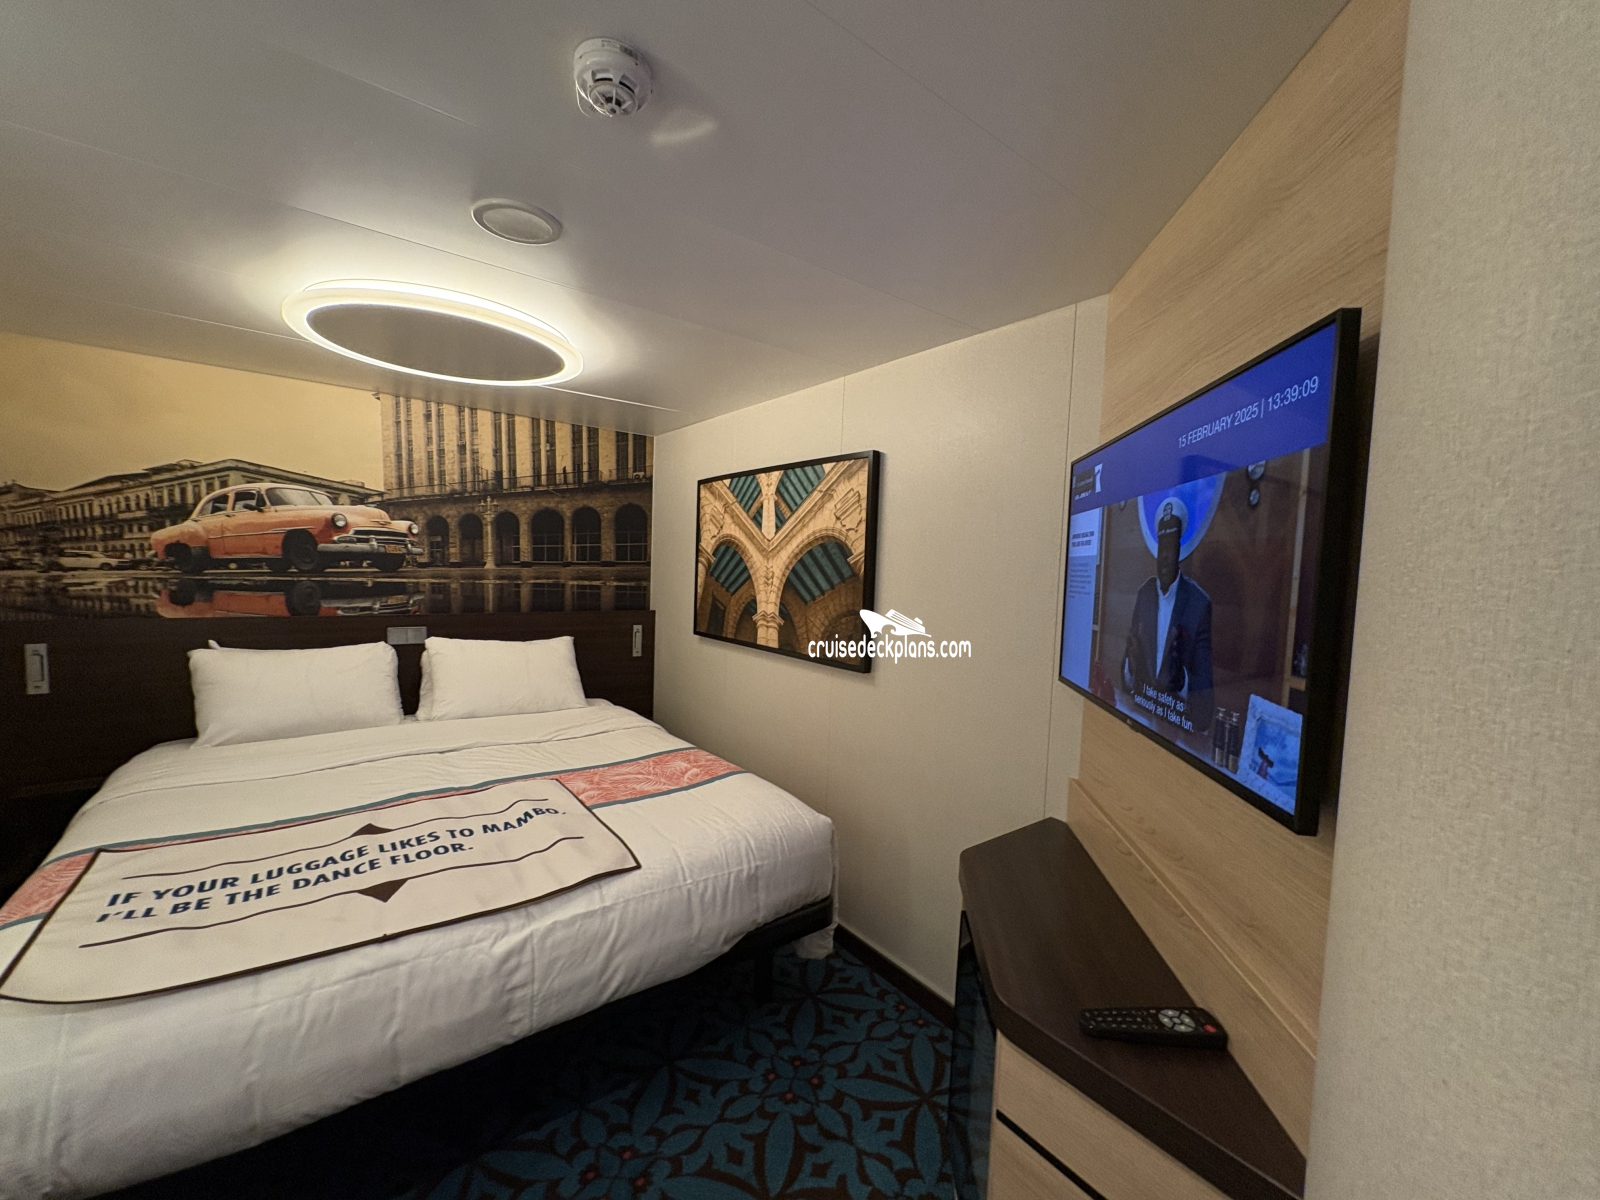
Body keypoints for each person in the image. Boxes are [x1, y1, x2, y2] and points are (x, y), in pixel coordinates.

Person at [1122, 502, 1213, 732]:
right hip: (1140, 722)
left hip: (1174, 732)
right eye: (1161, 546)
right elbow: (1126, 682)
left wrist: (1181, 682)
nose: (1164, 556)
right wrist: (1131, 667)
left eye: (1170, 547)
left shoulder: (1198, 605)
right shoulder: (1144, 595)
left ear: (1179, 551)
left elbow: (1204, 711)